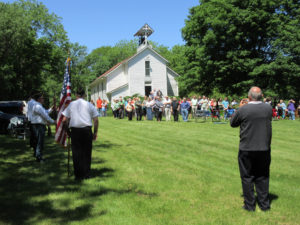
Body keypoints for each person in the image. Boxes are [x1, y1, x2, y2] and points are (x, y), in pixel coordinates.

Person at [230, 87, 272, 212]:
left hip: (247, 148)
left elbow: (233, 123)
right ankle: (264, 205)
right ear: (262, 96)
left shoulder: (244, 109)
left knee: (247, 176)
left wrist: (241, 107)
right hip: (264, 147)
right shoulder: (268, 108)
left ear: (248, 97)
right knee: (263, 176)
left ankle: (250, 205)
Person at [62, 88, 98, 180]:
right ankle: (86, 174)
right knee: (86, 153)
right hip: (86, 130)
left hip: (75, 131)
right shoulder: (89, 104)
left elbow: (64, 120)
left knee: (76, 153)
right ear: (85, 95)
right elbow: (96, 120)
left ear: (76, 95)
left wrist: (68, 132)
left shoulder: (71, 105)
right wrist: (95, 132)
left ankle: (78, 175)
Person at [31, 92, 55, 162]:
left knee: (39, 141)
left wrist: (51, 108)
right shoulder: (38, 106)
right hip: (38, 126)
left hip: (38, 125)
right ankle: (39, 157)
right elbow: (45, 116)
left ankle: (38, 155)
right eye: (42, 98)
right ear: (38, 99)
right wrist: (53, 121)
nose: (43, 99)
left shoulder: (38, 105)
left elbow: (45, 112)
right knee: (39, 142)